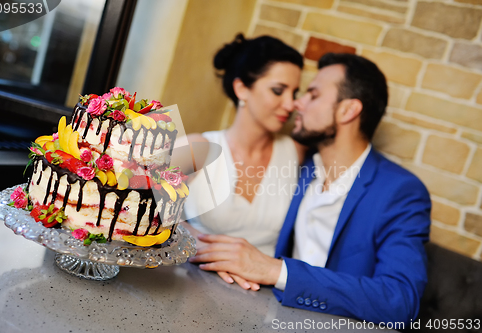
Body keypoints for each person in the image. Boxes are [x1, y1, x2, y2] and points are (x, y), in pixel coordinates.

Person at [189, 53, 431, 324]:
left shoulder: (400, 191)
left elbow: (401, 301)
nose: (297, 104)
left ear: (347, 111)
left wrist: (277, 271)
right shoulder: (303, 170)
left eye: (312, 95)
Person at [181, 34, 306, 290]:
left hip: (264, 296)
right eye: (278, 90)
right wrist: (196, 241)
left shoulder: (296, 152)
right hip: (190, 285)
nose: (291, 104)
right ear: (242, 89)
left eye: (295, 93)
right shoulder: (198, 148)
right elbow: (136, 201)